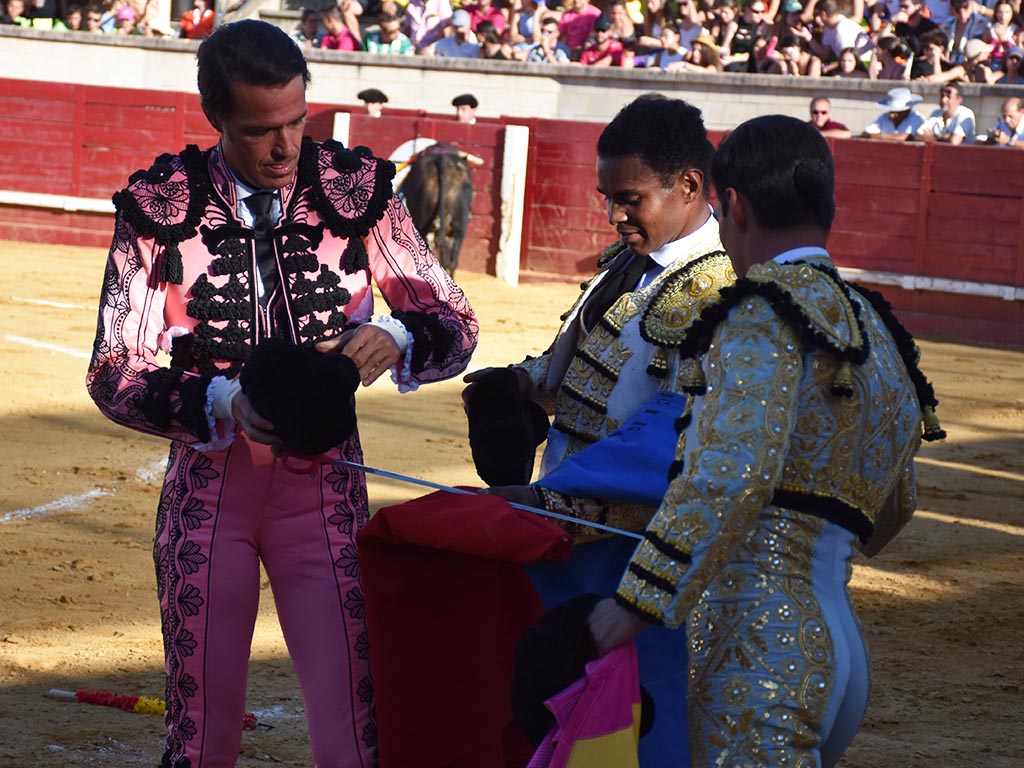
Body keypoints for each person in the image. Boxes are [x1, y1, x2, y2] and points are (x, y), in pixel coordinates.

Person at [85, 19, 478, 768]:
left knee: (352, 736)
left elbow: (452, 320)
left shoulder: (356, 196)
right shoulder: (160, 211)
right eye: (261, 130)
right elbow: (113, 369)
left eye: (298, 121)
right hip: (208, 495)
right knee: (202, 737)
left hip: (326, 494)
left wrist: (396, 337)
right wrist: (221, 402)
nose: (286, 148)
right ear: (217, 120)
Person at [590, 112, 942, 768]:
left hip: (758, 640)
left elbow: (731, 471)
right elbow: (896, 506)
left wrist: (639, 599)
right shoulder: (880, 329)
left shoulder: (759, 311)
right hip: (841, 651)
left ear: (736, 206)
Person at [465, 94, 735, 767]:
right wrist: (525, 383)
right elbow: (590, 365)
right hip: (569, 534)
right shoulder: (630, 261)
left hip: (638, 550)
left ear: (689, 185)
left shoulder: (723, 289)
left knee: (647, 716)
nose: (615, 214)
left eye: (630, 198)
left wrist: (558, 504)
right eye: (607, 196)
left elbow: (682, 442)